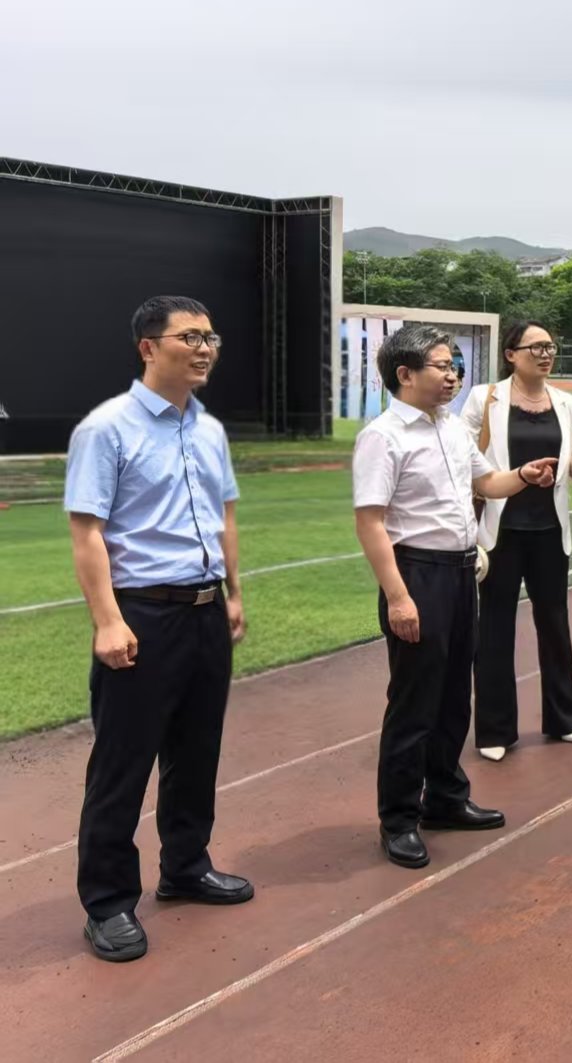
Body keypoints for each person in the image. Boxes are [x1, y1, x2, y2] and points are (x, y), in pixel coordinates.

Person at [65, 295, 251, 963]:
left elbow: (223, 515)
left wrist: (233, 592)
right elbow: (87, 532)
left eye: (211, 338)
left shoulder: (209, 430)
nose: (205, 349)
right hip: (142, 613)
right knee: (124, 761)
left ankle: (186, 866)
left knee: (197, 751)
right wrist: (107, 621)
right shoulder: (106, 429)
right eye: (189, 337)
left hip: (205, 610)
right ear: (149, 347)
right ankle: (108, 901)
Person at [353, 324, 560, 870]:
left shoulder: (450, 428)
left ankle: (444, 797)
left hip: (463, 572)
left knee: (452, 698)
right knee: (413, 702)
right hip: (417, 574)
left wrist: (524, 475)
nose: (453, 376)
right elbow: (370, 522)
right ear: (405, 374)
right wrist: (398, 597)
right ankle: (399, 819)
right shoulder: (383, 437)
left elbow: (486, 484)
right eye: (443, 366)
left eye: (455, 367)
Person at [462, 322, 572, 763]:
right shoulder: (485, 398)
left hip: (550, 531)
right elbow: (465, 456)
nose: (545, 354)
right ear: (511, 354)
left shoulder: (566, 402)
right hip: (500, 531)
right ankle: (495, 729)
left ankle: (563, 719)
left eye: (550, 347)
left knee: (555, 624)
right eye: (536, 347)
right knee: (494, 629)